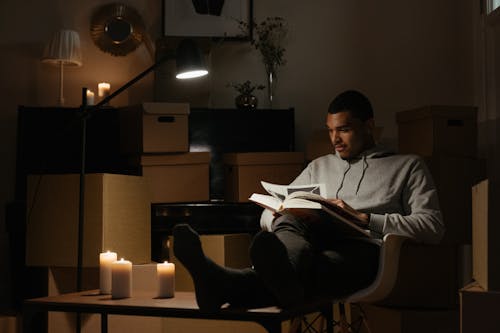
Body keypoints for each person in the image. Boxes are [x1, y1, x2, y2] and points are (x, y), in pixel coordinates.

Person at [173, 89, 445, 311]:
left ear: (370, 126)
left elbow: (433, 226)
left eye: (344, 129)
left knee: (305, 272)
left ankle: (221, 282)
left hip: (362, 249)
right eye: (330, 130)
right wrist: (277, 213)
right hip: (309, 244)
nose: (335, 140)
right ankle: (275, 277)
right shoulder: (319, 165)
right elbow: (271, 214)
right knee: (290, 219)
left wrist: (366, 218)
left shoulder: (407, 165)